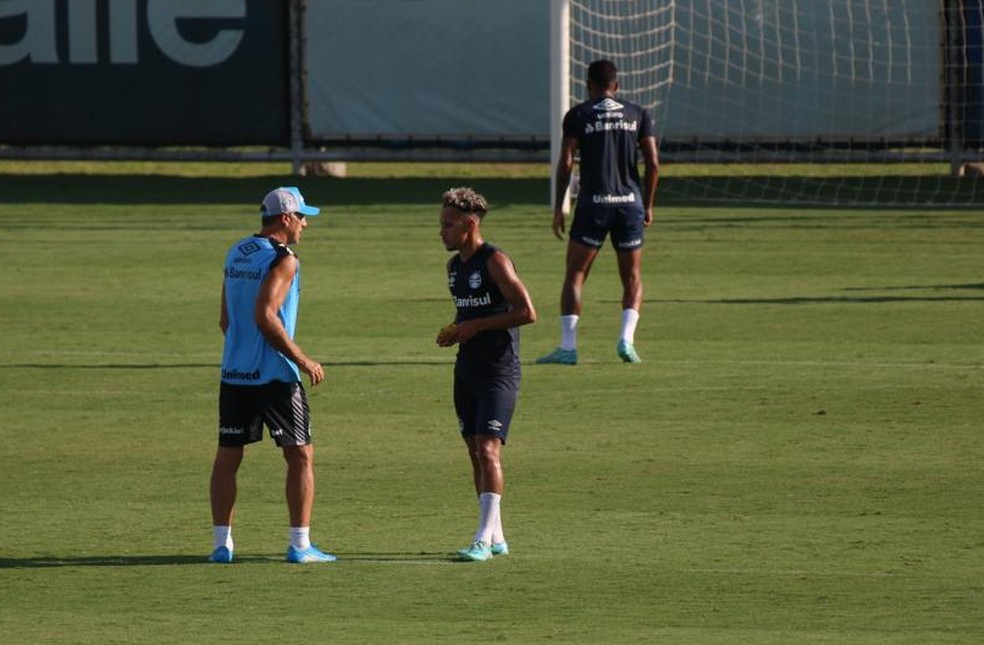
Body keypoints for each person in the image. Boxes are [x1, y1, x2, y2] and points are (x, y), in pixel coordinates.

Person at [209, 186, 336, 564]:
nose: (305, 224)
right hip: (276, 377)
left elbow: (226, 320)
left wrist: (242, 352)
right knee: (301, 457)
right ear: (285, 218)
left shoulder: (237, 252)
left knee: (227, 458)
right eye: (301, 217)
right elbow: (266, 317)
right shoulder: (284, 260)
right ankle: (300, 545)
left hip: (234, 374)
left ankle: (221, 545)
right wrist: (303, 359)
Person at [436, 187, 537, 562]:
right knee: (475, 453)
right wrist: (456, 331)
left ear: (470, 224)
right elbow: (469, 317)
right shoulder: (454, 268)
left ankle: (480, 539)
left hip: (499, 371)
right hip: (467, 371)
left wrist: (476, 326)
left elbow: (528, 312)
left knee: (489, 449)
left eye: (448, 225)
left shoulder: (495, 261)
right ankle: (496, 536)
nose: (441, 232)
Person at [537, 59, 659, 365]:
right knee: (632, 276)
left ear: (588, 86)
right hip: (629, 204)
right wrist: (649, 204)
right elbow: (654, 164)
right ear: (616, 86)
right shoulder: (638, 114)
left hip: (594, 204)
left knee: (575, 275)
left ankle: (568, 347)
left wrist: (558, 206)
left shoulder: (578, 115)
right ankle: (626, 341)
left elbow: (566, 162)